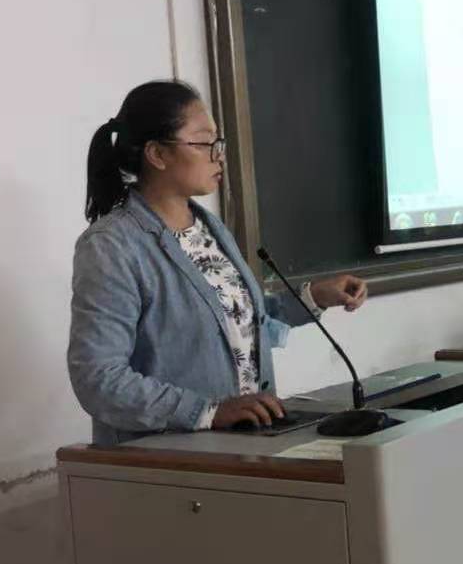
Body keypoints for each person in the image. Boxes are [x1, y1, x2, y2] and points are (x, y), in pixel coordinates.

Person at [68, 80, 368, 445]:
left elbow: (235, 324)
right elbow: (98, 378)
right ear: (157, 154)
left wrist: (313, 297)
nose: (219, 155)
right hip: (166, 460)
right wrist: (206, 411)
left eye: (218, 142)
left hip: (242, 446)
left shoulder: (210, 229)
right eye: (203, 142)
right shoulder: (111, 246)